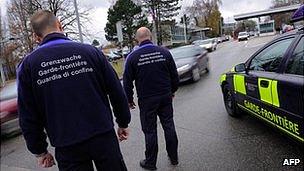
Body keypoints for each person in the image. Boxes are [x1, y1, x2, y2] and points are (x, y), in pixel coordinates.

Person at [17, 10, 131, 171]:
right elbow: (116, 90)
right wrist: (123, 122)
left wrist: (40, 150)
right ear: (60, 25)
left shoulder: (28, 66)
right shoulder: (91, 52)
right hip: (103, 136)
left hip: (67, 144)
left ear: (36, 37)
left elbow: (28, 114)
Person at [123, 27, 179, 170]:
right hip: (165, 96)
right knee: (169, 125)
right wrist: (172, 91)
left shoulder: (132, 57)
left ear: (137, 39)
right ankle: (173, 157)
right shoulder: (164, 52)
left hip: (147, 100)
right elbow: (174, 75)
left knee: (150, 130)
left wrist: (129, 100)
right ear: (150, 37)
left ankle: (151, 162)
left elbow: (127, 82)